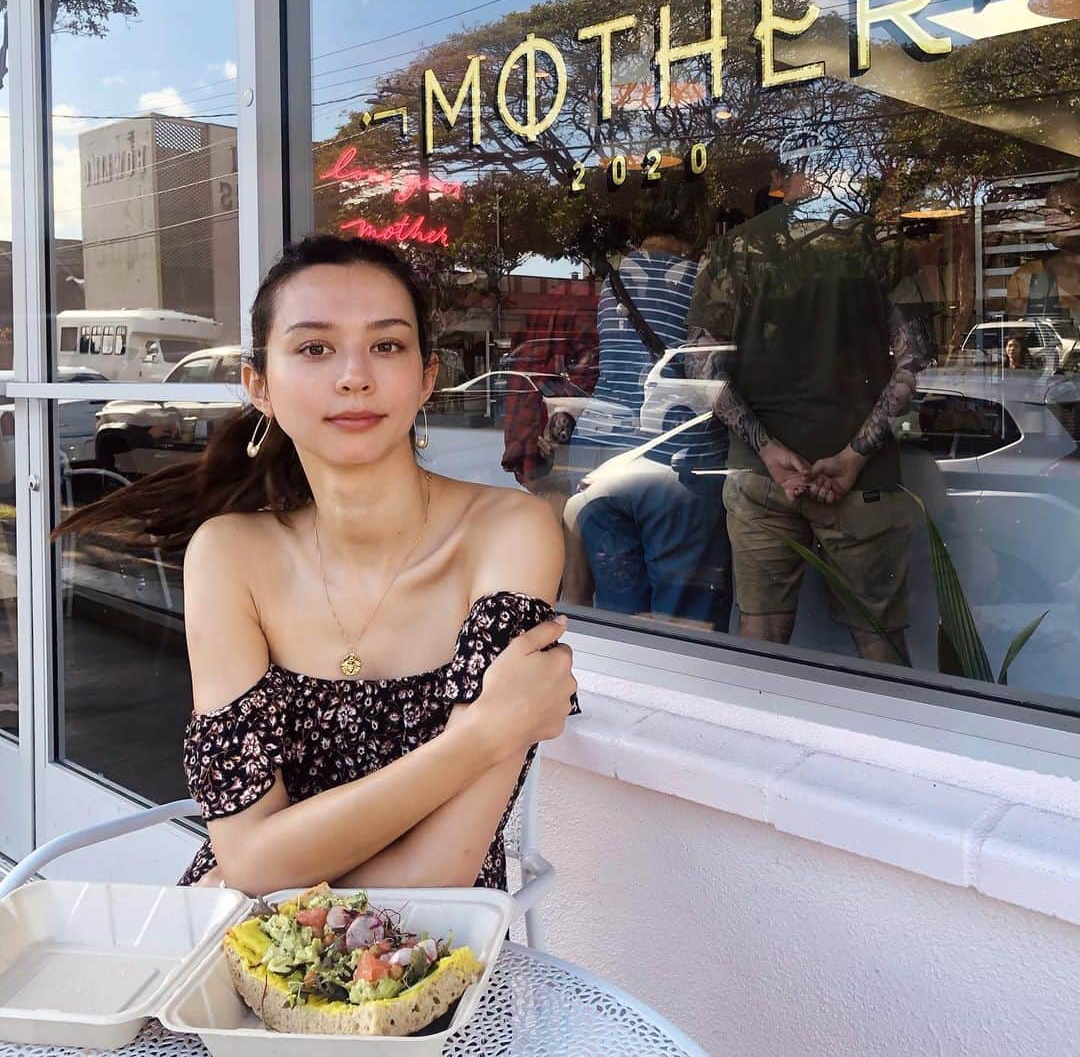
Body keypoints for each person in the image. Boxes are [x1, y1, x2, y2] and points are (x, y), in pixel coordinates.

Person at [52, 235, 578, 898]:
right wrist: (479, 737)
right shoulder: (231, 554)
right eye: (314, 348)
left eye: (386, 345)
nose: (354, 374)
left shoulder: (509, 533)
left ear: (427, 379)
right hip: (239, 948)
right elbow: (246, 857)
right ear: (259, 385)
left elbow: (438, 875)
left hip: (424, 952)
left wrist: (270, 868)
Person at [687, 161, 931, 665]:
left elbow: (700, 367)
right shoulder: (879, 245)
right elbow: (912, 363)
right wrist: (853, 455)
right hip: (862, 482)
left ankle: (760, 739)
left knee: (762, 633)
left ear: (782, 178)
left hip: (761, 478)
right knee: (877, 641)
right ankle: (895, 744)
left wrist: (769, 451)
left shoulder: (737, 249)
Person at [564, 188, 732, 629]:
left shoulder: (610, 283)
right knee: (682, 623)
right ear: (692, 228)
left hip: (600, 456)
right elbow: (710, 372)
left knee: (622, 615)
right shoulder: (699, 280)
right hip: (673, 458)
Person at [1005, 179, 1080, 328]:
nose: (1052, 222)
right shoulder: (1026, 277)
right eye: (1048, 214)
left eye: (1068, 212)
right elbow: (1016, 337)